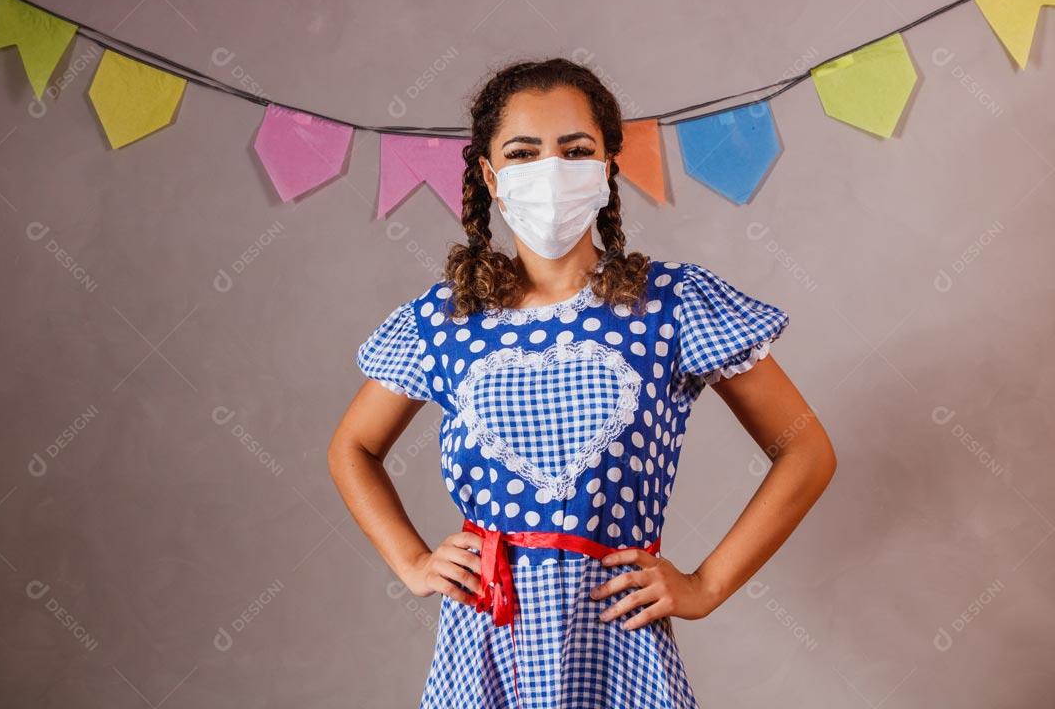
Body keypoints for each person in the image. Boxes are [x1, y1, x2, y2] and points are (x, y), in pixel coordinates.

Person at [328, 57, 836, 709]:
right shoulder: (447, 320)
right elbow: (353, 449)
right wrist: (412, 562)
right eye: (523, 152)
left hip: (618, 646)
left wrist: (705, 586)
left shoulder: (672, 305)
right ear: (489, 175)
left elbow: (806, 449)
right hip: (486, 644)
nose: (550, 169)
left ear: (607, 166)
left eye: (575, 150)